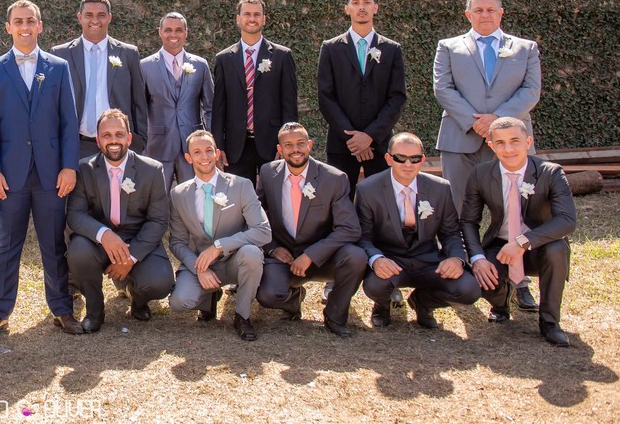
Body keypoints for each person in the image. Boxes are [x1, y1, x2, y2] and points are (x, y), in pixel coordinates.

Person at [0, 0, 83, 336]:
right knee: (7, 245)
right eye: (19, 21)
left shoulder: (58, 68)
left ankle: (62, 310)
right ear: (8, 27)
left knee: (54, 244)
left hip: (51, 173)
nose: (25, 26)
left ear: (40, 26)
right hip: (9, 175)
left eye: (30, 21)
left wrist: (69, 167)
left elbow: (69, 122)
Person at [433, 0, 542, 310]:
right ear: (468, 15)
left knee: (515, 209)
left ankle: (518, 280)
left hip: (510, 143)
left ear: (501, 13)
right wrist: (476, 122)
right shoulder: (449, 47)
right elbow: (443, 88)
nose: (484, 14)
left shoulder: (525, 48)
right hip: (461, 138)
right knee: (456, 209)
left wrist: (497, 122)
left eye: (490, 9)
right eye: (478, 10)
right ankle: (461, 271)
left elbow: (531, 91)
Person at [461, 117, 576, 347]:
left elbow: (566, 220)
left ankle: (550, 322)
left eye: (515, 141)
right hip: (501, 245)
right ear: (491, 146)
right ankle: (501, 303)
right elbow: (468, 221)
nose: (508, 149)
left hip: (540, 245)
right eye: (500, 143)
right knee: (482, 274)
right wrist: (477, 258)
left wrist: (523, 241)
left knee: (556, 248)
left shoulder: (550, 172)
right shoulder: (481, 174)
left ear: (528, 142)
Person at [356, 132, 481, 331]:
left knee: (469, 290)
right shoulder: (368, 189)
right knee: (375, 286)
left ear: (422, 160)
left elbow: (450, 232)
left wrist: (456, 258)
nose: (408, 164)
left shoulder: (440, 188)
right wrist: (377, 259)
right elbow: (363, 236)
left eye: (414, 159)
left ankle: (423, 302)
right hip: (391, 260)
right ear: (388, 159)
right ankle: (382, 305)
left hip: (429, 260)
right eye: (400, 158)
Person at [65, 109, 173, 332]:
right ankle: (95, 310)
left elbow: (158, 220)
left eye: (119, 134)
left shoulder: (152, 170)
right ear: (98, 141)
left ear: (129, 138)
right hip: (99, 242)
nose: (113, 141)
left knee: (160, 282)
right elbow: (75, 214)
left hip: (137, 239)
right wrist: (104, 235)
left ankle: (138, 299)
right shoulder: (84, 169)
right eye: (106, 135)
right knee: (78, 251)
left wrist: (130, 258)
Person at [255, 123, 366, 338]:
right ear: (280, 149)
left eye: (300, 143)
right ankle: (293, 299)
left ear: (310, 145)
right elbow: (257, 217)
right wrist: (272, 248)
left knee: (356, 256)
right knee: (267, 295)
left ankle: (334, 315)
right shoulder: (268, 173)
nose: (295, 149)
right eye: (288, 145)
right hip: (284, 256)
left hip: (322, 257)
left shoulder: (334, 178)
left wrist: (311, 255)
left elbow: (350, 228)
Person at [167, 130, 270, 341]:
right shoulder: (178, 195)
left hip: (235, 260)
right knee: (179, 301)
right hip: (202, 263)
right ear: (188, 158)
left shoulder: (241, 185)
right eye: (197, 152)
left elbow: (262, 230)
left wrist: (220, 246)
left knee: (252, 253)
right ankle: (209, 299)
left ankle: (242, 316)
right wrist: (199, 268)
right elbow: (177, 242)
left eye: (209, 150)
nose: (204, 156)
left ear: (217, 153)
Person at [316, 0, 406, 196]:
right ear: (347, 9)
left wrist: (370, 136)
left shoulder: (391, 49)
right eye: (355, 3)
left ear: (376, 7)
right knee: (340, 201)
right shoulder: (331, 48)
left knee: (382, 202)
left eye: (367, 2)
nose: (361, 7)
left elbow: (397, 97)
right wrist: (352, 138)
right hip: (341, 144)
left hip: (379, 144)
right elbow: (326, 96)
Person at [211, 0, 298, 184]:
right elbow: (218, 107)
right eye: (247, 14)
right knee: (237, 198)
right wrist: (218, 146)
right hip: (236, 146)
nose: (252, 19)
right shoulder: (224, 59)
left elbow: (289, 106)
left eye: (257, 14)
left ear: (264, 19)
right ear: (238, 19)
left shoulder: (282, 56)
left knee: (275, 196)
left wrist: (287, 144)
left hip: (272, 143)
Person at [52, 0, 148, 159]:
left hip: (117, 145)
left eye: (101, 15)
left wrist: (139, 142)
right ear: (80, 17)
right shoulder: (61, 54)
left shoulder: (128, 54)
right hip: (76, 145)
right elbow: (53, 103)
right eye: (89, 15)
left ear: (109, 18)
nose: (95, 20)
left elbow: (138, 102)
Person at [140, 11, 214, 191]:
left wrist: (209, 140)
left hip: (192, 146)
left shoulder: (200, 65)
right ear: (160, 32)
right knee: (157, 197)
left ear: (186, 33)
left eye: (179, 30)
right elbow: (139, 109)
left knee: (193, 197)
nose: (173, 35)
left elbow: (210, 107)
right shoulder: (145, 66)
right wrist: (141, 145)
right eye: (168, 30)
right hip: (157, 145)